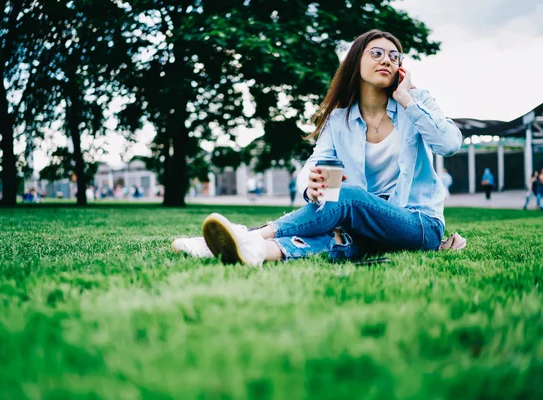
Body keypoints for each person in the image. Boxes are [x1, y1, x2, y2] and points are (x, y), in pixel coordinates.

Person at [172, 29, 465, 265]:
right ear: (355, 61)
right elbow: (315, 166)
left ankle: (251, 235)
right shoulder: (338, 120)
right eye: (376, 53)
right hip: (360, 225)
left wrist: (407, 101)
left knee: (347, 195)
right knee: (336, 239)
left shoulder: (417, 102)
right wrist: (311, 187)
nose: (386, 60)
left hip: (417, 222)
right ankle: (256, 251)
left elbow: (449, 144)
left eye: (394, 56)